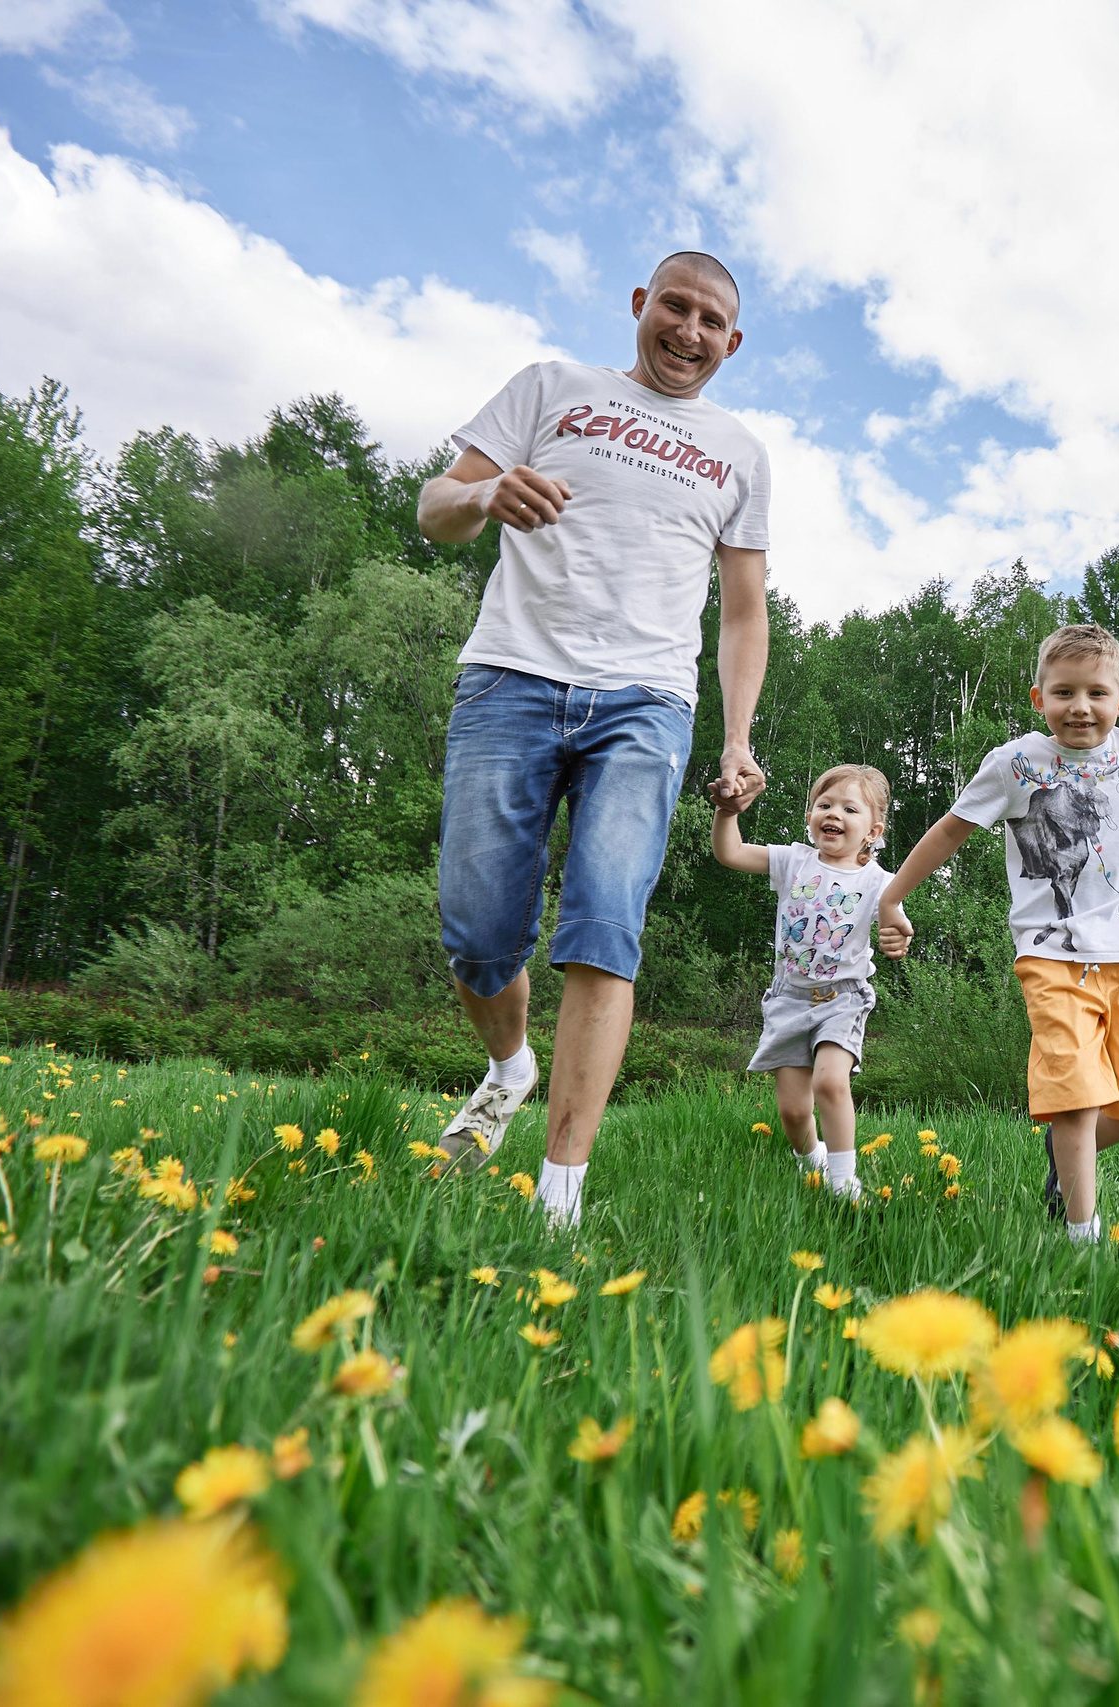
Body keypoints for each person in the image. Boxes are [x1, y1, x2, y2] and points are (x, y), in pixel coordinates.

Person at [415, 250, 773, 1227]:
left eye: (711, 321)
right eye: (675, 307)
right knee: (479, 931)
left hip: (648, 700)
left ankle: (558, 1195)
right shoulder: (550, 389)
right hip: (511, 678)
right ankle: (507, 1066)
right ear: (639, 306)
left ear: (731, 343)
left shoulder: (739, 452)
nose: (689, 331)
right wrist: (488, 496)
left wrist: (737, 737)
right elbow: (436, 506)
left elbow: (744, 611)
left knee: (604, 928)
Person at [876, 623, 1119, 1241]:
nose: (1080, 707)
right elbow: (951, 829)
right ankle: (1081, 1238)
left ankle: (1065, 1163)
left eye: (1096, 693)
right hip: (1051, 954)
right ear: (1040, 700)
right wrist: (892, 897)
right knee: (1078, 1095)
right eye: (1064, 693)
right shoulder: (1014, 763)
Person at [712, 764, 893, 1202]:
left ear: (873, 830)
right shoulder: (793, 860)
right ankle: (811, 1159)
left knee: (830, 1082)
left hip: (842, 999)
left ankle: (843, 1182)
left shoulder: (878, 881)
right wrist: (726, 811)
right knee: (793, 1113)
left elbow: (895, 912)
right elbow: (730, 853)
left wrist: (897, 929)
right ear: (811, 814)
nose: (833, 814)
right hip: (789, 999)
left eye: (850, 808)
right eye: (824, 805)